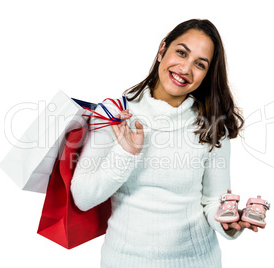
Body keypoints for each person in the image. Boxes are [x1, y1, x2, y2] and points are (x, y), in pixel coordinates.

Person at [71, 18, 261, 268]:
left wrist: (229, 223)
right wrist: (126, 152)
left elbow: (213, 201)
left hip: (198, 262)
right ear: (162, 50)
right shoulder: (115, 114)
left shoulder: (212, 124)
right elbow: (82, 197)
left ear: (206, 74)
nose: (185, 68)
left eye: (200, 64)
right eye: (181, 52)